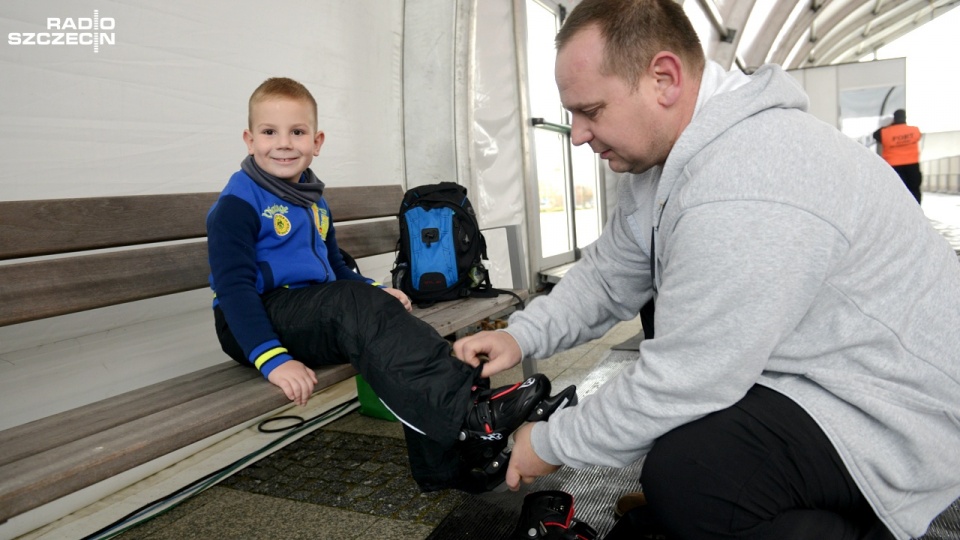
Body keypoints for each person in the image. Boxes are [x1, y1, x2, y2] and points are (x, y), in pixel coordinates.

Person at [453, 1, 960, 538]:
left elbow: (686, 378)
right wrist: (519, 334)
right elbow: (608, 276)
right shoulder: (669, 161)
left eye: (592, 110)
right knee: (684, 449)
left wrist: (551, 443)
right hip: (824, 372)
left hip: (896, 412)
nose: (577, 134)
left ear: (664, 79)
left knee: (691, 475)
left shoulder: (748, 178)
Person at [206, 77, 574, 493]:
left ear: (317, 141)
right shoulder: (238, 203)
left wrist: (372, 290)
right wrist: (273, 359)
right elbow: (235, 290)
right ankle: (471, 413)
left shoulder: (311, 198)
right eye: (270, 132)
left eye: (297, 132)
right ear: (249, 140)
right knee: (357, 307)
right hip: (253, 322)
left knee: (401, 334)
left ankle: (461, 461)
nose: (284, 143)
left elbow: (335, 267)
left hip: (312, 311)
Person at [873, 109, 923, 203]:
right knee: (914, 189)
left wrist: (889, 125)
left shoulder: (886, 132)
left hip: (894, 166)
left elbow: (875, 135)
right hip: (912, 165)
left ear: (894, 119)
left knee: (897, 191)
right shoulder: (914, 130)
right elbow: (919, 136)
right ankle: (916, 212)